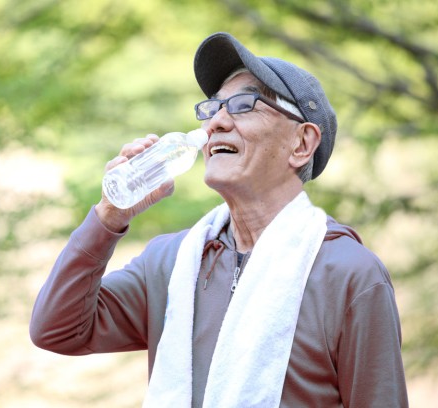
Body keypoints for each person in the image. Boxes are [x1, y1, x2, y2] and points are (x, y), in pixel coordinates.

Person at [30, 32, 408, 407]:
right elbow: (57, 329)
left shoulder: (348, 275)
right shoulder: (172, 263)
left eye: (244, 104)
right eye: (212, 108)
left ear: (302, 143)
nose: (215, 124)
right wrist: (109, 215)